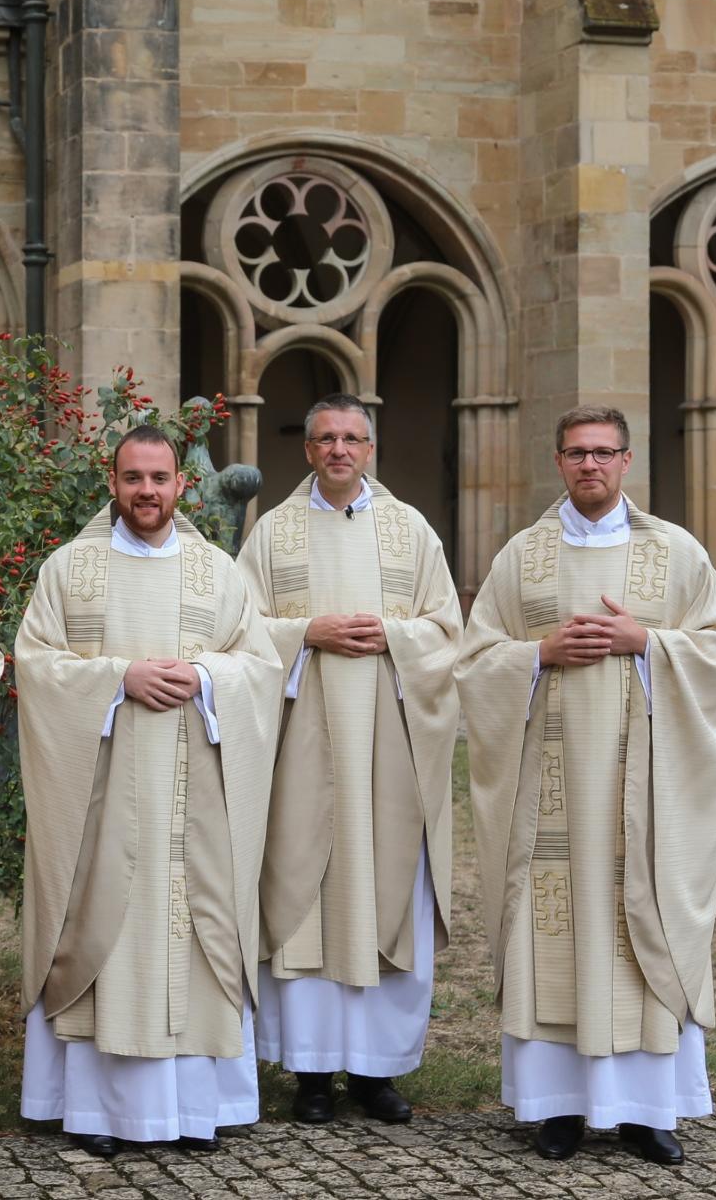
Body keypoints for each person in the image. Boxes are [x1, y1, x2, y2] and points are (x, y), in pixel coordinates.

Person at [454, 405, 716, 1167]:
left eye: (604, 453)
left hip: (644, 795)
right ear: (558, 462)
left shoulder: (675, 553)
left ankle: (652, 1110)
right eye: (577, 453)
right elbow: (476, 659)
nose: (590, 465)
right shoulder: (523, 557)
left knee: (636, 922)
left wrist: (646, 641)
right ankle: (558, 1108)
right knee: (555, 932)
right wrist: (538, 652)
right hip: (551, 797)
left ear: (627, 461)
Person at [15, 425, 286, 1156]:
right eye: (132, 477)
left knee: (195, 935)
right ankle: (99, 1113)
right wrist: (116, 679)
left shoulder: (218, 572)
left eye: (159, 478)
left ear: (179, 485)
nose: (146, 491)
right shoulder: (70, 570)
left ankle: (196, 1110)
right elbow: (35, 666)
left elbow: (259, 669)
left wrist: (205, 678)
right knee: (104, 929)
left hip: (195, 800)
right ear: (113, 481)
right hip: (101, 805)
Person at [236, 394, 463, 1125]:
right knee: (303, 890)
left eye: (353, 438)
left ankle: (376, 1073)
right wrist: (308, 631)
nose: (339, 449)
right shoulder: (272, 533)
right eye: (326, 438)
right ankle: (309, 1072)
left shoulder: (411, 530)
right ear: (307, 451)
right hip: (302, 746)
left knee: (384, 891)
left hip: (390, 748)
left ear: (371, 449)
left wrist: (395, 638)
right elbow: (238, 636)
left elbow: (448, 630)